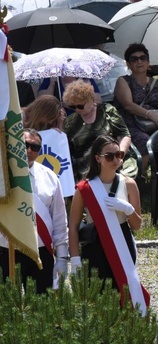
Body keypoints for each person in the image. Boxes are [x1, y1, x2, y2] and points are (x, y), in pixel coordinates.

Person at [68, 135, 148, 313]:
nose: (116, 160)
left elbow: (137, 225)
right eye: (109, 156)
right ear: (97, 158)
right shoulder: (85, 188)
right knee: (98, 299)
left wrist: (127, 209)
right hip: (96, 243)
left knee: (124, 291)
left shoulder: (129, 184)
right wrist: (74, 259)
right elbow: (73, 226)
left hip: (122, 240)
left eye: (119, 155)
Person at [0, 128, 68, 293]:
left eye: (35, 147)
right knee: (7, 310)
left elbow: (59, 219)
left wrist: (62, 257)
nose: (29, 150)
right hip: (6, 251)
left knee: (42, 307)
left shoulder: (50, 177)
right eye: (25, 144)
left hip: (40, 252)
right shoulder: (2, 177)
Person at [63, 80, 138, 181]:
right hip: (88, 163)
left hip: (114, 156)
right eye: (72, 107)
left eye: (80, 106)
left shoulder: (107, 111)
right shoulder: (70, 121)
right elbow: (66, 148)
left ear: (91, 99)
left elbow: (124, 135)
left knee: (125, 178)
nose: (77, 110)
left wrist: (119, 155)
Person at [113, 44, 158, 175]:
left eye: (143, 58)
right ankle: (139, 179)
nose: (139, 61)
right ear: (128, 64)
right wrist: (150, 114)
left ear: (148, 62)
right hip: (131, 124)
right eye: (134, 59)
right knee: (145, 142)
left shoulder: (157, 83)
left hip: (154, 125)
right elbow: (128, 105)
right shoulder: (123, 81)